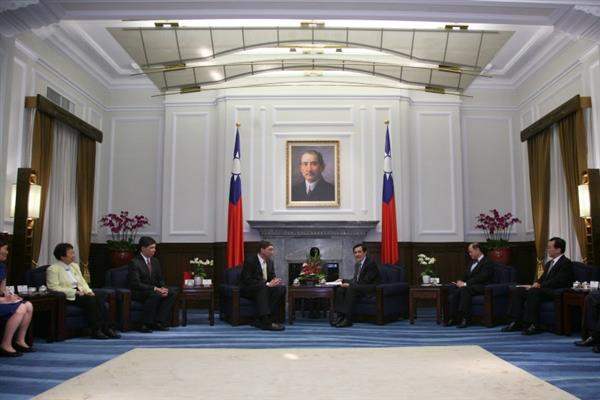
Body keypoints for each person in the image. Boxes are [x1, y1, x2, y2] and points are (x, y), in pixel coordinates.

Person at [501, 237, 573, 335]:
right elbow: (542, 278)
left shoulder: (566, 263)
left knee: (533, 291)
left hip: (554, 291)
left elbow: (559, 281)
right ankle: (516, 321)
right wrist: (535, 283)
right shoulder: (549, 263)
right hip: (543, 289)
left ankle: (533, 324)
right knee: (518, 291)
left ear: (558, 249)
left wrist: (539, 286)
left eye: (550, 247)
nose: (547, 249)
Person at [47, 243, 120, 340]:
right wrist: (74, 292)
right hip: (69, 296)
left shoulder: (74, 266)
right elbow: (53, 288)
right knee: (91, 300)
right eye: (71, 253)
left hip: (82, 292)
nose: (73, 255)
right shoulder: (53, 269)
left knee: (100, 295)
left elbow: (82, 282)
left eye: (73, 252)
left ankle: (107, 328)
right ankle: (96, 329)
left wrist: (89, 291)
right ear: (62, 256)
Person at [128, 236, 177, 333]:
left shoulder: (155, 261)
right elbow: (135, 283)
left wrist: (163, 288)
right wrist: (155, 289)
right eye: (151, 248)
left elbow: (160, 279)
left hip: (153, 290)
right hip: (139, 291)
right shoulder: (134, 262)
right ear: (143, 248)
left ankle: (158, 322)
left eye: (154, 248)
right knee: (155, 294)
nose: (154, 250)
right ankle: (144, 324)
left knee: (172, 292)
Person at [331, 243, 381, 328]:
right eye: (355, 252)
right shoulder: (357, 264)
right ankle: (340, 316)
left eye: (359, 252)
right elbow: (355, 280)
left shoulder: (370, 264)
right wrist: (342, 280)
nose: (357, 254)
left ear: (365, 252)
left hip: (369, 289)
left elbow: (365, 282)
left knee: (351, 288)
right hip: (359, 287)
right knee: (340, 289)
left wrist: (349, 285)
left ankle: (348, 319)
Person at [240, 241, 286, 331]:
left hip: (263, 288)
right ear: (262, 250)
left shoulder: (270, 262)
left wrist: (275, 281)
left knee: (281, 288)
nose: (272, 252)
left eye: (272, 250)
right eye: (270, 250)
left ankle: (276, 318)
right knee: (263, 288)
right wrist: (267, 284)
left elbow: (272, 277)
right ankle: (265, 322)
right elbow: (247, 280)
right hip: (249, 289)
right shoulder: (250, 261)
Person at [0, 239, 34, 356]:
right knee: (20, 308)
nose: (7, 252)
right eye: (5, 249)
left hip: (1, 300)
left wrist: (10, 295)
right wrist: (4, 300)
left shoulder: (2, 266)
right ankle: (5, 344)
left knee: (28, 305)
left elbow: (2, 290)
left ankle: (20, 341)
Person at [447, 242, 494, 328]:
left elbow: (482, 277)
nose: (469, 254)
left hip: (482, 287)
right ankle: (453, 317)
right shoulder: (471, 262)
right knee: (458, 290)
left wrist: (465, 284)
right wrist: (460, 281)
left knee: (464, 289)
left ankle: (465, 318)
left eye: (471, 251)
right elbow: (465, 275)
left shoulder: (487, 262)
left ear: (477, 250)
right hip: (470, 287)